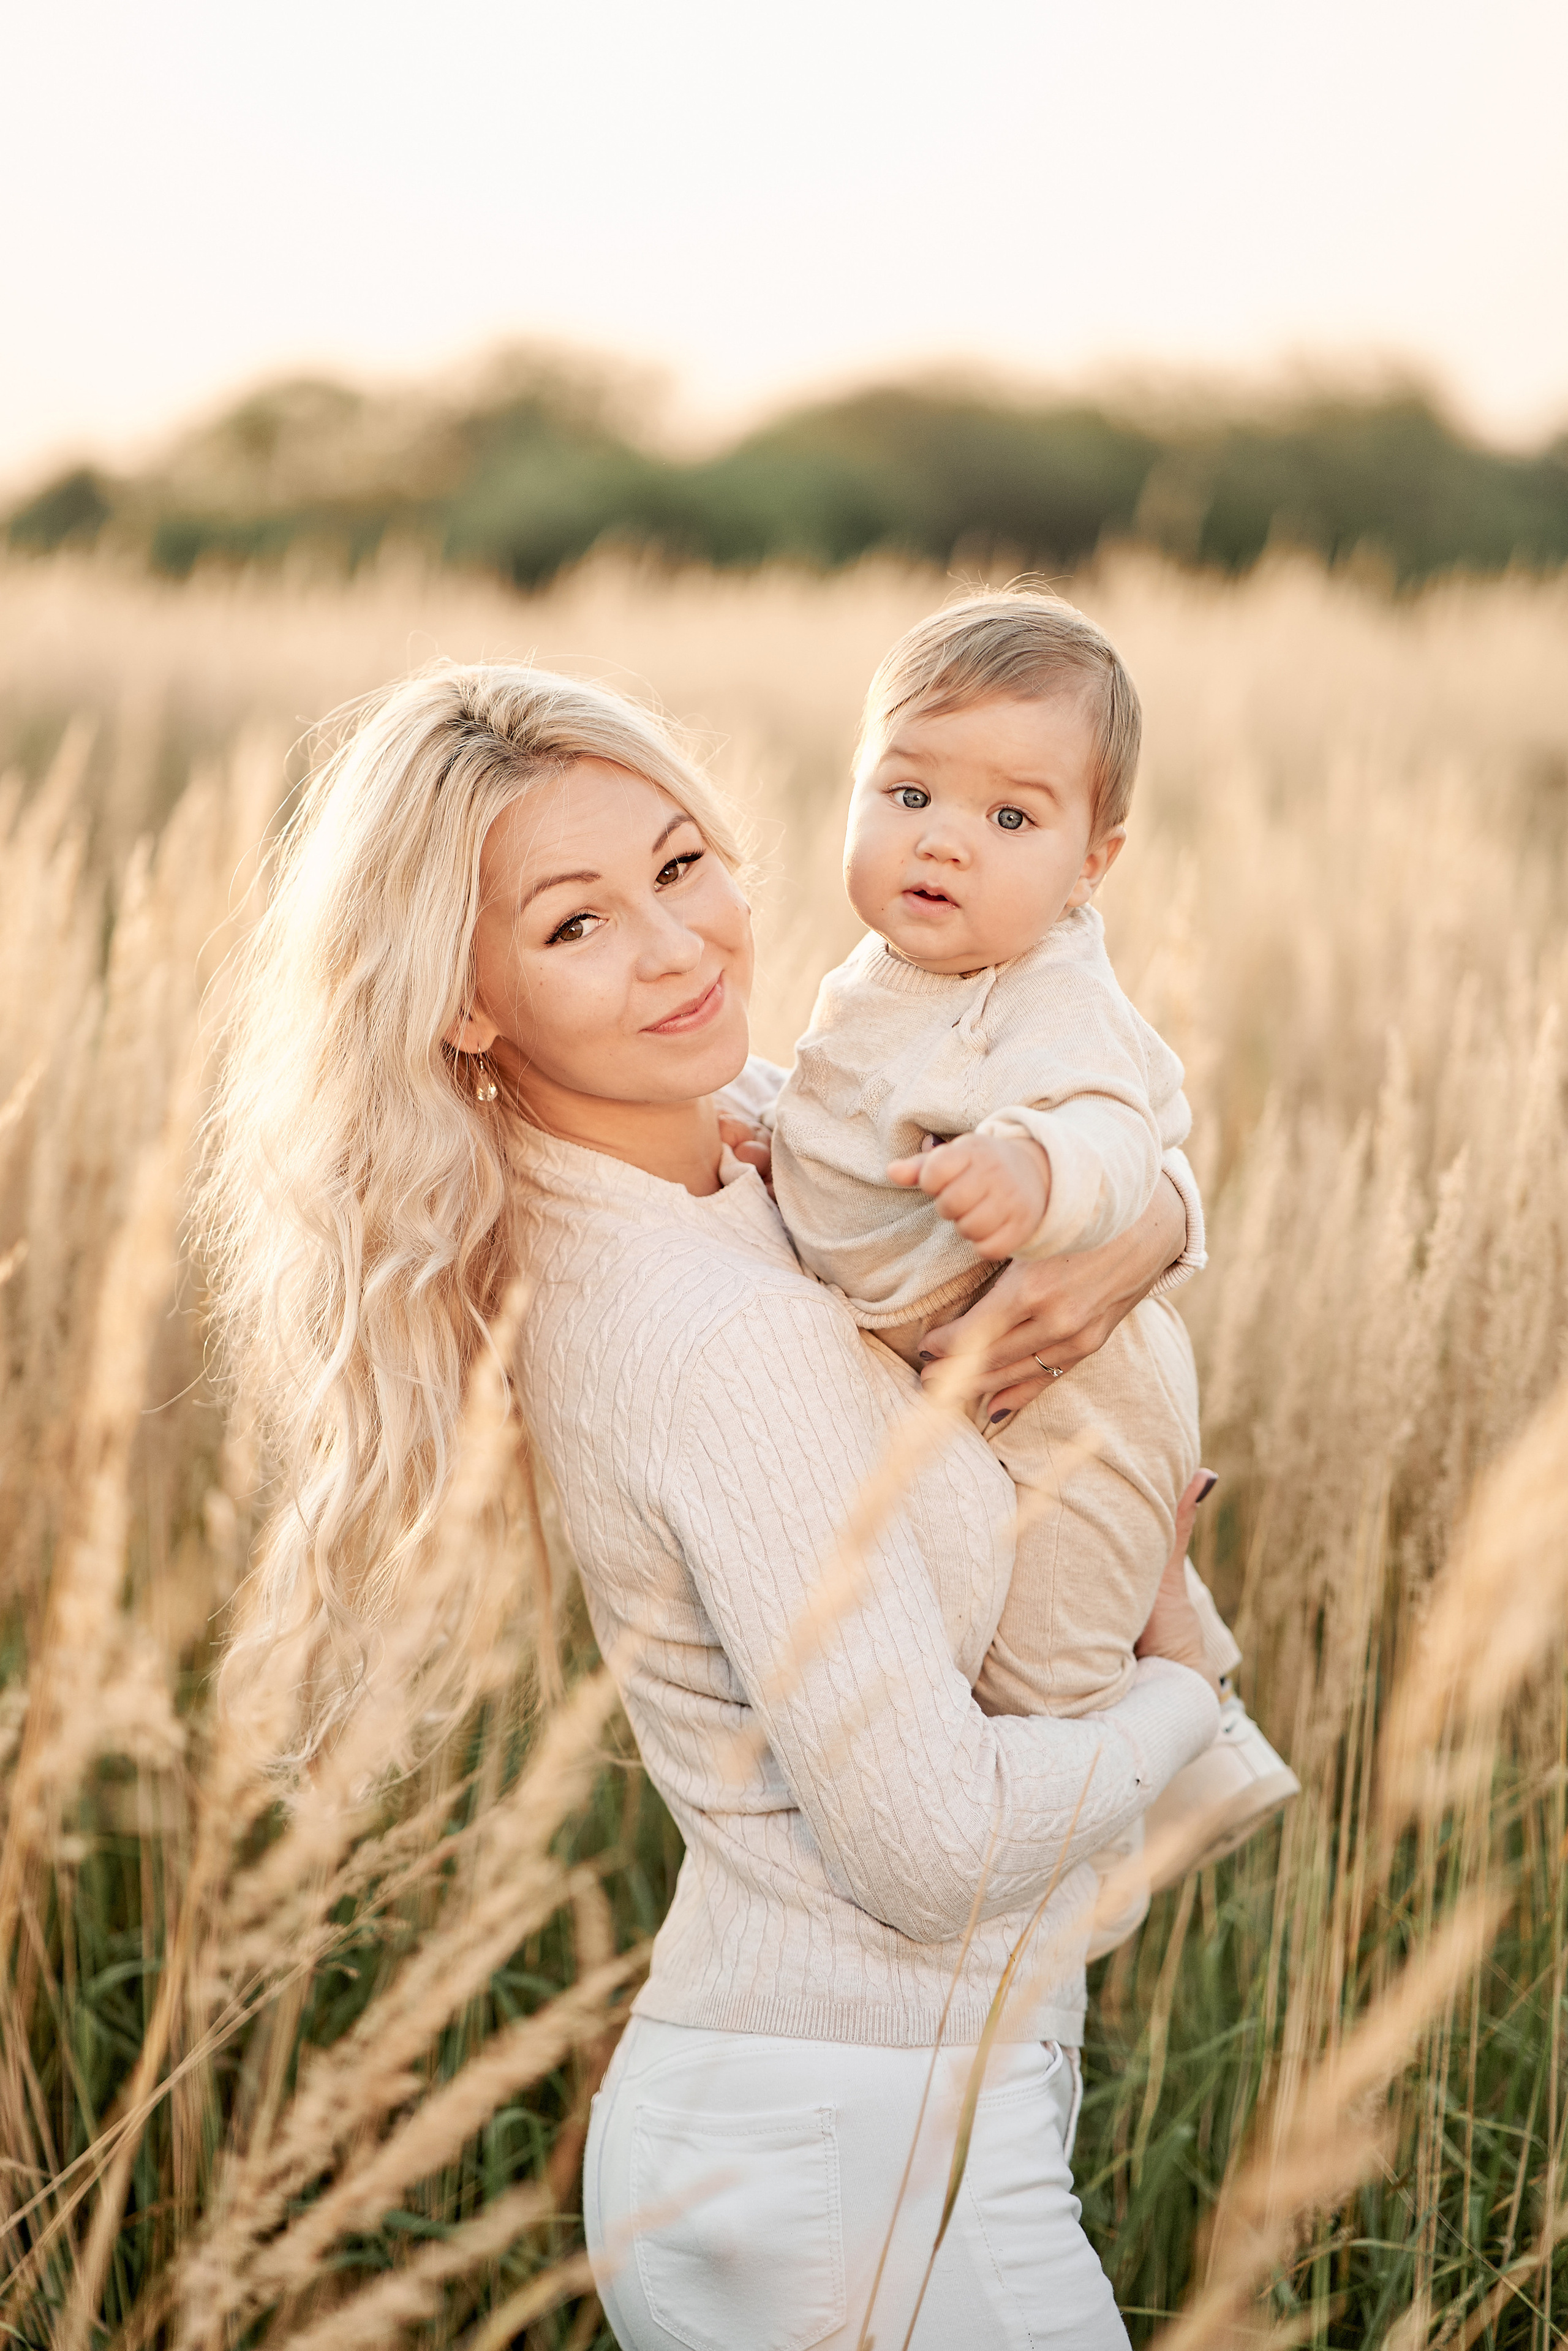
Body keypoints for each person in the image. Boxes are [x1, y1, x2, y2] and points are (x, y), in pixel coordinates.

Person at [202, 663, 1228, 2349]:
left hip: (846, 2126)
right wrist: (1179, 1694)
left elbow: (1096, 1121)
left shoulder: (724, 1143)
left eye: (681, 865)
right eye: (575, 923)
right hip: (858, 2154)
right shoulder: (714, 1328)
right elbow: (936, 1850)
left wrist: (1155, 1215)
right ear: (464, 1003)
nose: (678, 947)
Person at [769, 591, 1297, 1931]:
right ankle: (1194, 1702)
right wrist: (771, 1137)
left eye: (1011, 818)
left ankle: (1102, 1871)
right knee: (1048, 1619)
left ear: (1088, 866)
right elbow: (852, 1121)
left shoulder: (1049, 990)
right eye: (907, 792)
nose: (943, 838)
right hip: (975, 1377)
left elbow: (1116, 1126)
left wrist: (1035, 1166)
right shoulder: (885, 970)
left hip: (1078, 1406)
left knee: (1045, 1666)